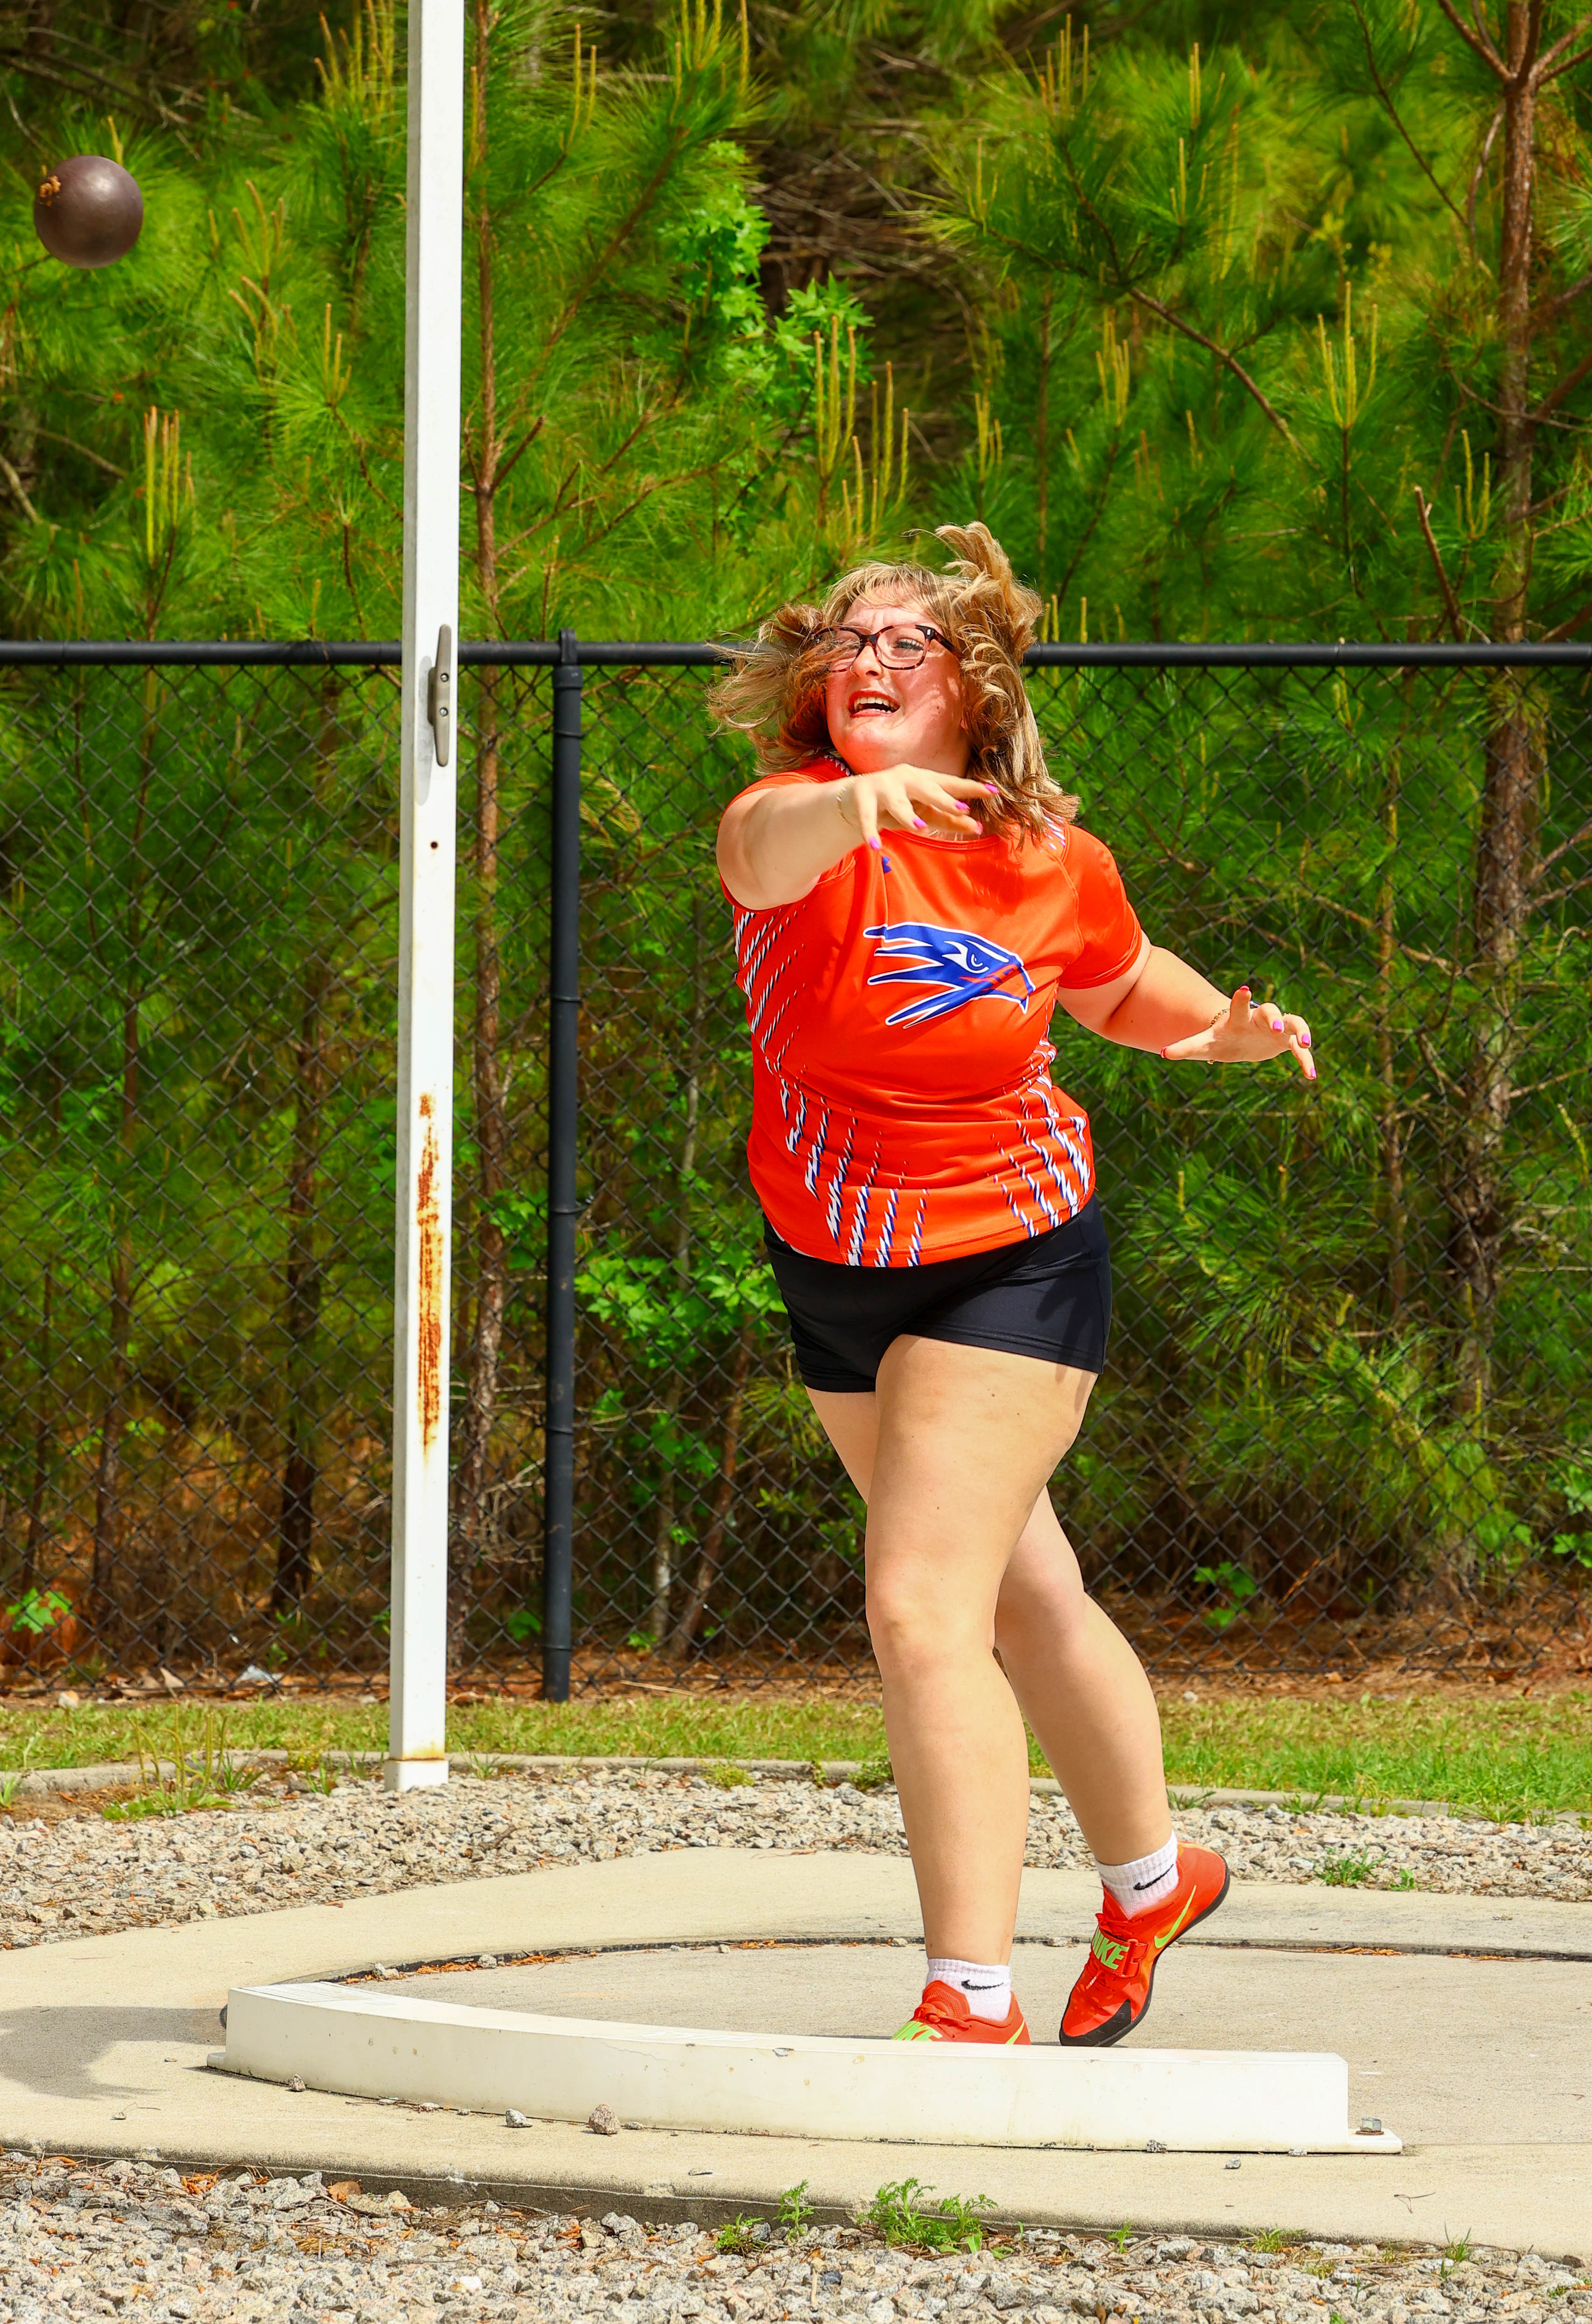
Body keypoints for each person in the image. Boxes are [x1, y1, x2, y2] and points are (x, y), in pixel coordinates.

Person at [709, 523, 1315, 2047]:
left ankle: (967, 1997)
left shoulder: (1047, 859)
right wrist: (858, 802)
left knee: (923, 1607)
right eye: (843, 641)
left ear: (973, 686)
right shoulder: (792, 818)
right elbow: (762, 856)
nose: (865, 659)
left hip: (1008, 1253)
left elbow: (1118, 982)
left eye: (904, 643)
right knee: (1027, 1595)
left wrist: (1217, 1030)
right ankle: (1154, 1879)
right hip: (834, 1265)